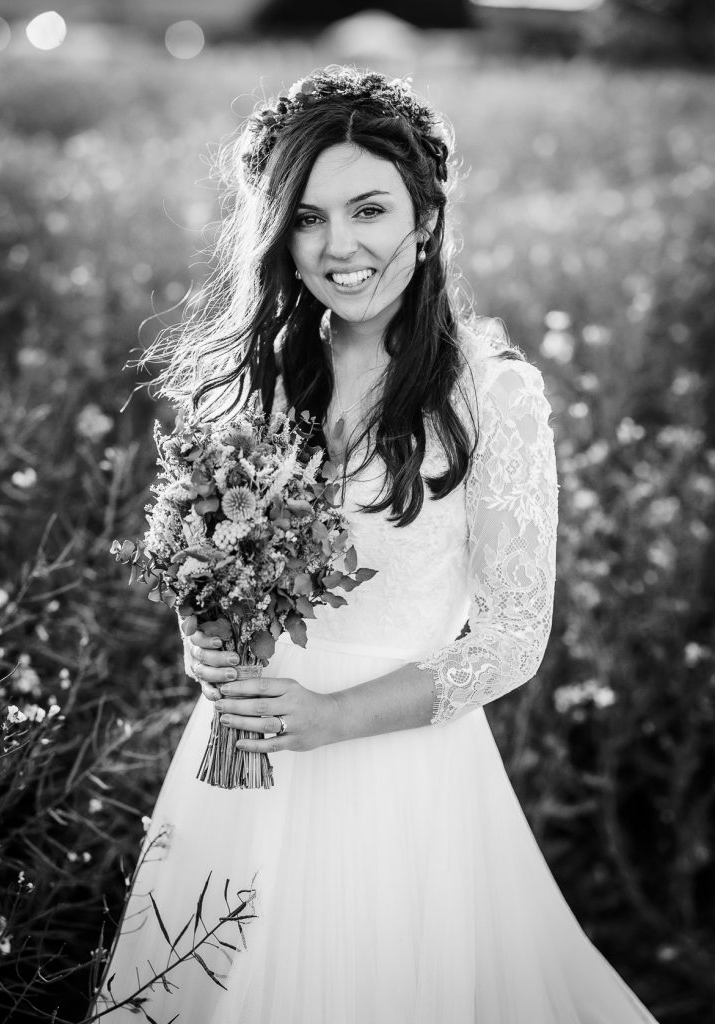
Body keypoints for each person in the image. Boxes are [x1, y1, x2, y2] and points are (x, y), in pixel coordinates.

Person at [91, 66, 661, 1023]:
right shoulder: (260, 380)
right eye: (307, 218)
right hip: (238, 762)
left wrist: (332, 718)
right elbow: (217, 562)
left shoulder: (491, 396)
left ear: (426, 218)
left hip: (399, 777)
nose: (339, 246)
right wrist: (208, 638)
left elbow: (513, 640)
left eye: (368, 210)